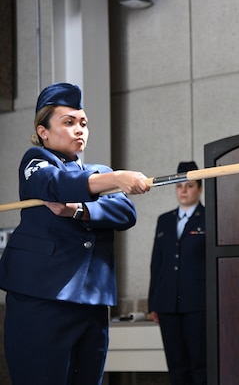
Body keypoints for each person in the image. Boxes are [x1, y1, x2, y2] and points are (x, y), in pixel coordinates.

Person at [0, 82, 150, 384]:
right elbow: (54, 185)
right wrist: (116, 178)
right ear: (43, 131)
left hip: (92, 301)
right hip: (42, 297)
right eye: (68, 122)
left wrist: (79, 209)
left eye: (83, 123)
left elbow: (125, 213)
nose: (80, 129)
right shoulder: (36, 160)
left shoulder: (98, 171)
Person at [148, 161, 206, 385]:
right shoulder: (165, 220)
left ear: (199, 189)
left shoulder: (209, 217)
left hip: (198, 303)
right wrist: (153, 301)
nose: (183, 190)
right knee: (176, 364)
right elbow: (157, 263)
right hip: (167, 303)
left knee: (200, 364)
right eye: (179, 186)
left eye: (189, 186)